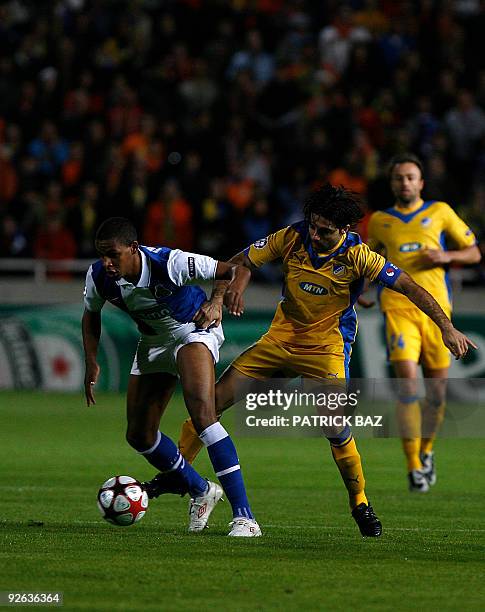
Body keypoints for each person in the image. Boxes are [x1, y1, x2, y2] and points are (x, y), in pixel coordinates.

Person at [143, 184, 476, 537]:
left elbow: (410, 286)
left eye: (325, 230)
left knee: (333, 426)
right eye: (313, 225)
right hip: (279, 340)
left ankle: (359, 501)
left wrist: (446, 327)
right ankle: (177, 477)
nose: (315, 234)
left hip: (325, 349)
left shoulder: (360, 257)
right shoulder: (292, 236)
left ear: (345, 230)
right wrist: (223, 294)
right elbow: (237, 262)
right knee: (208, 406)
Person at [82, 217, 261, 537]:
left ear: (134, 249)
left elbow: (232, 269)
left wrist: (217, 301)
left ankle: (244, 517)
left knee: (203, 414)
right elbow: (91, 314)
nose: (106, 262)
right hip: (153, 342)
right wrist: (92, 360)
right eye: (102, 254)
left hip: (193, 330)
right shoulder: (98, 277)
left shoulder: (171, 263)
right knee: (139, 435)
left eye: (113, 254)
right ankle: (201, 489)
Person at [367, 154, 481, 492]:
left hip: (437, 314)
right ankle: (414, 466)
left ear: (421, 182)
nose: (405, 182)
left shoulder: (440, 212)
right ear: (392, 183)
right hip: (398, 309)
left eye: (410, 177)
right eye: (399, 177)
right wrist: (361, 290)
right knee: (408, 386)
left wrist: (446, 256)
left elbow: (473, 252)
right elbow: (367, 260)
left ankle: (427, 450)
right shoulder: (380, 221)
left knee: (436, 394)